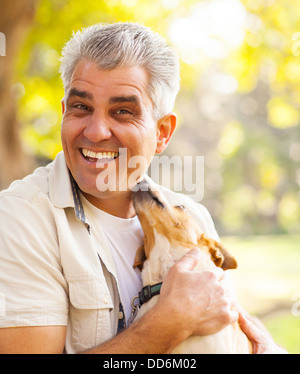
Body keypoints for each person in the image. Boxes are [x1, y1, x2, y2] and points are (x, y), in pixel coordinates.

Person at [0, 22, 286, 354]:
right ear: (64, 112)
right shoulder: (20, 219)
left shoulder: (193, 218)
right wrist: (169, 322)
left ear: (163, 132)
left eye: (123, 111)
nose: (95, 131)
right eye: (81, 107)